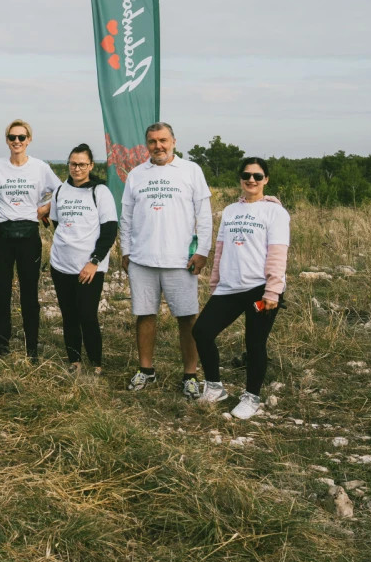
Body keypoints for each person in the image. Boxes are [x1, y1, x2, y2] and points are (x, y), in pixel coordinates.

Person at [120, 122, 213, 396]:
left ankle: (190, 375)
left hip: (180, 261)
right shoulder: (136, 174)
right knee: (145, 315)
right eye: (152, 141)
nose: (158, 146)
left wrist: (202, 251)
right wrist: (125, 251)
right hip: (142, 260)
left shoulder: (191, 171)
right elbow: (126, 217)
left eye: (163, 140)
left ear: (173, 141)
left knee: (187, 318)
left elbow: (204, 215)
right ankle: (146, 370)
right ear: (146, 145)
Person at [193, 158, 289, 420]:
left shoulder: (275, 213)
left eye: (258, 176)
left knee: (255, 342)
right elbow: (221, 250)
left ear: (266, 180)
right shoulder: (230, 210)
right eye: (246, 175)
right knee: (201, 331)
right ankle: (214, 387)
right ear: (240, 178)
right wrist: (215, 284)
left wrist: (272, 291)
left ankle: (251, 397)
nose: (251, 180)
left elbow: (278, 253)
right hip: (229, 288)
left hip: (260, 290)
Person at [0, 119, 61, 361]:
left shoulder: (40, 167)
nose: (17, 141)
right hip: (2, 236)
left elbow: (63, 191)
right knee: (1, 292)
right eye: (12, 137)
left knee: (29, 294)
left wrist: (45, 209)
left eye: (21, 137)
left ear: (29, 140)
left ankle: (32, 350)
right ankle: (2, 346)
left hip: (29, 235)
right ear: (7, 140)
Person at [49, 145, 118, 376]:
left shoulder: (100, 192)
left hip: (89, 267)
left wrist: (94, 261)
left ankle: (96, 363)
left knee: (87, 316)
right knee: (68, 315)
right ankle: (74, 361)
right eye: (72, 164)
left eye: (81, 164)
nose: (76, 168)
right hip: (60, 265)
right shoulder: (60, 190)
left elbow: (109, 231)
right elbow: (57, 224)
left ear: (91, 166)